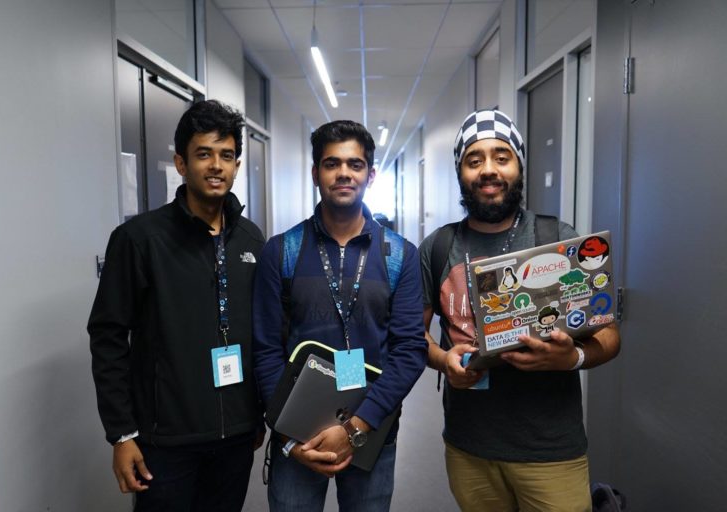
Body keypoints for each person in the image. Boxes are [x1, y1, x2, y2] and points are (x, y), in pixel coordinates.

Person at [419, 109, 621, 512]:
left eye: (502, 157)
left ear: (519, 167)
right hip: (469, 446)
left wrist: (572, 358)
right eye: (474, 160)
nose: (488, 170)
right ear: (460, 172)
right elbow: (412, 334)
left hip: (550, 450)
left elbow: (609, 336)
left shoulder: (557, 238)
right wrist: (443, 360)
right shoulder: (439, 247)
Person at [88, 100, 265, 511]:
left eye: (226, 156)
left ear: (237, 166)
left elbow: (262, 333)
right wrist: (121, 434)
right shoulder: (139, 239)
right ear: (181, 164)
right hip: (165, 442)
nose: (216, 166)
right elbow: (108, 337)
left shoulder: (251, 240)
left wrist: (255, 415)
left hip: (236, 438)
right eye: (204, 154)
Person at [252, 120, 427, 511]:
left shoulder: (400, 255)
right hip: (297, 436)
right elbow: (265, 349)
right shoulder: (282, 252)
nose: (344, 173)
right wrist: (289, 435)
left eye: (355, 164)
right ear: (316, 173)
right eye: (332, 164)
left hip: (373, 427)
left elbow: (409, 350)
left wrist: (356, 427)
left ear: (371, 175)